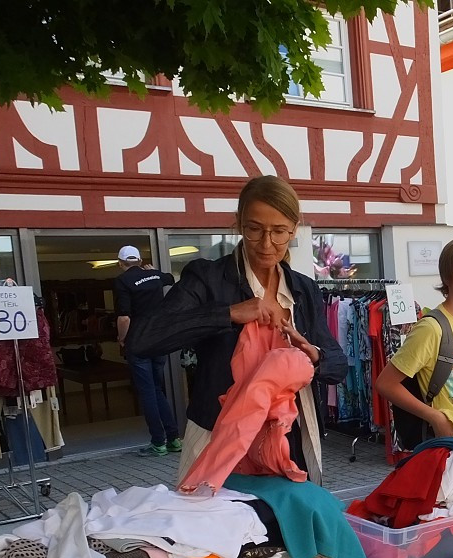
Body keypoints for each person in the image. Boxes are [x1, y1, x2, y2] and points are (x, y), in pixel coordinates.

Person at [126, 175, 346, 485]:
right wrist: (228, 313)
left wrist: (315, 356)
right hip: (220, 437)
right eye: (255, 229)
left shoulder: (304, 289)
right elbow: (142, 338)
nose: (267, 244)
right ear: (239, 224)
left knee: (282, 527)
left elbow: (338, 364)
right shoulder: (208, 278)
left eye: (279, 231)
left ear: (294, 229)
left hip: (289, 435)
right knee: (216, 526)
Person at [375, 236, 453, 440]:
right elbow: (385, 383)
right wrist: (434, 417)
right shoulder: (431, 328)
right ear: (448, 277)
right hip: (449, 443)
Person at [114, 246, 183, 458]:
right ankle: (173, 439)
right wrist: (154, 273)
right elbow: (171, 278)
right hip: (158, 340)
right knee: (157, 389)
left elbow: (124, 317)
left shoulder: (122, 281)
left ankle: (158, 442)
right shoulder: (155, 276)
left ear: (120, 263)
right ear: (140, 260)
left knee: (147, 393)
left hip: (139, 342)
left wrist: (122, 338)